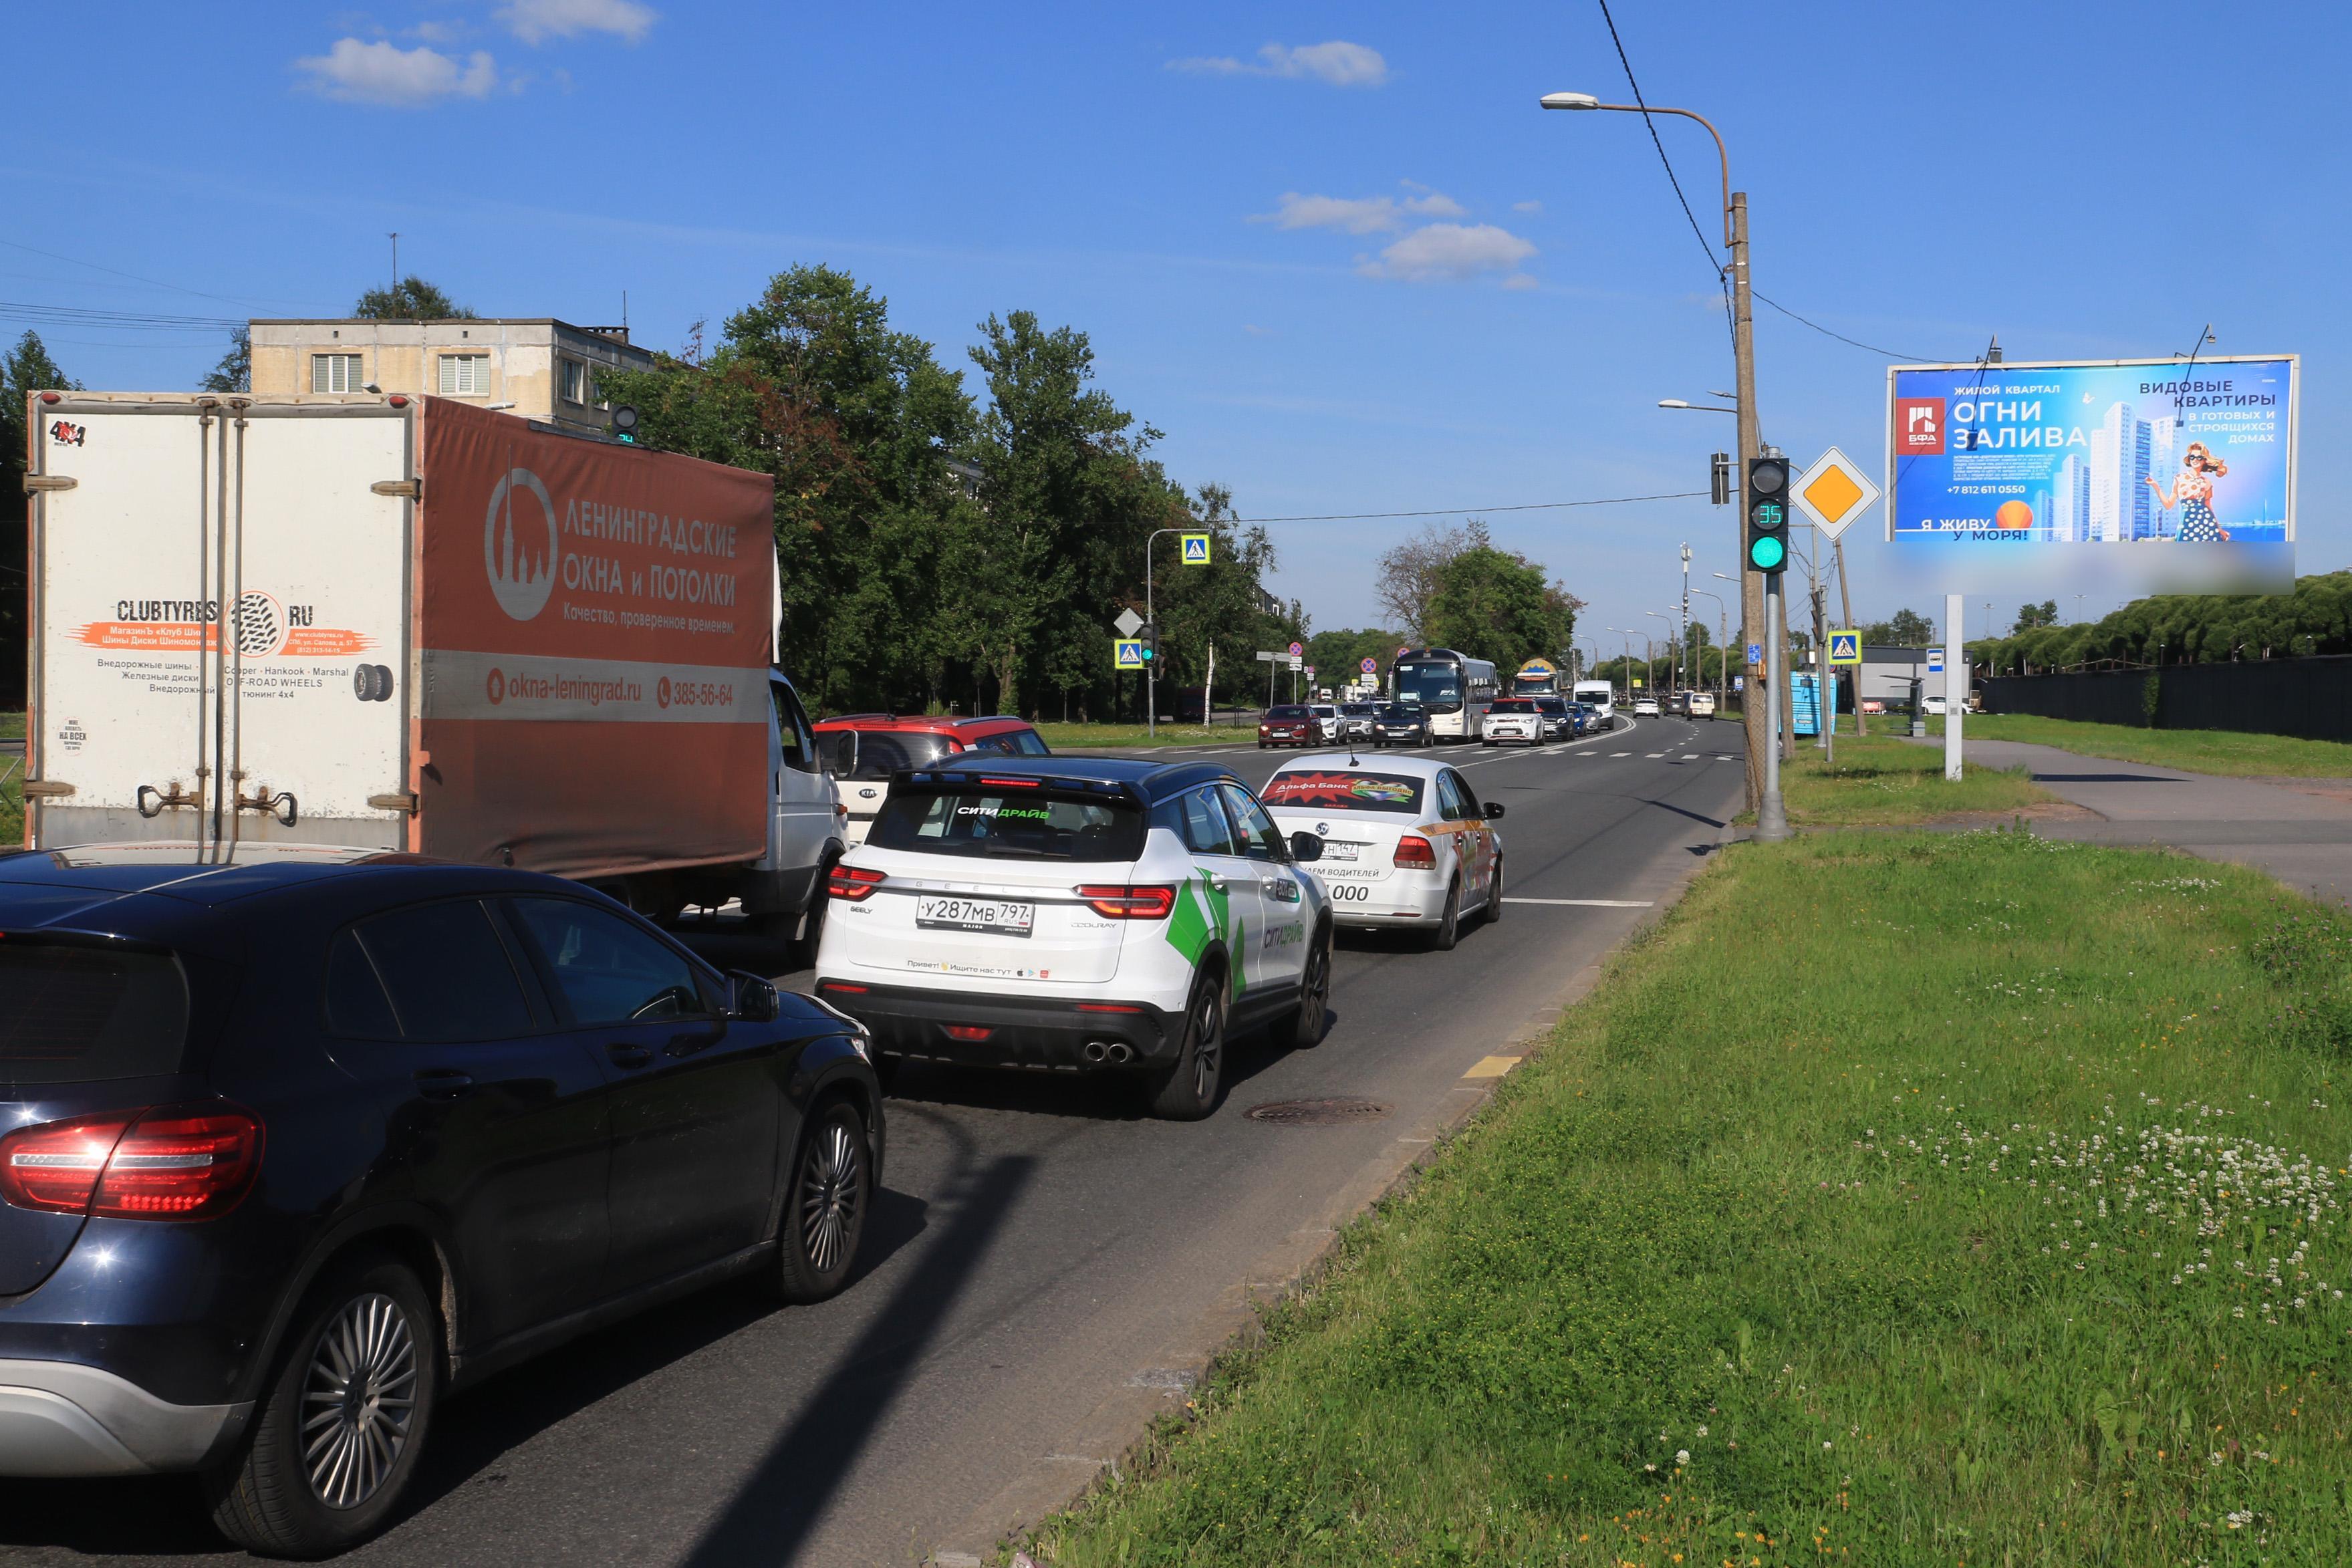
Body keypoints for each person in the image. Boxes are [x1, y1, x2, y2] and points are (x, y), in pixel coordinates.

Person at [2146, 442, 2230, 541]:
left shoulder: (2207, 482)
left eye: (2199, 457)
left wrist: (2219, 529)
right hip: (2186, 523)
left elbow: (2209, 506)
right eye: (2192, 457)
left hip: (2207, 523)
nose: (2195, 460)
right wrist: (2155, 486)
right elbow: (2168, 505)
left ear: (2204, 460)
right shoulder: (2179, 478)